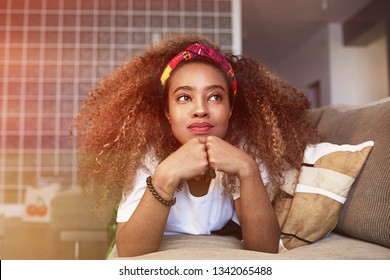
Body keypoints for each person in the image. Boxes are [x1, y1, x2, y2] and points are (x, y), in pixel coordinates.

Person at [72, 33, 320, 257]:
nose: (200, 110)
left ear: (230, 109)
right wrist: (166, 175)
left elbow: (264, 249)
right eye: (184, 97)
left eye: (215, 97)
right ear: (167, 113)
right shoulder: (147, 155)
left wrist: (248, 169)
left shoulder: (244, 150)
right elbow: (130, 250)